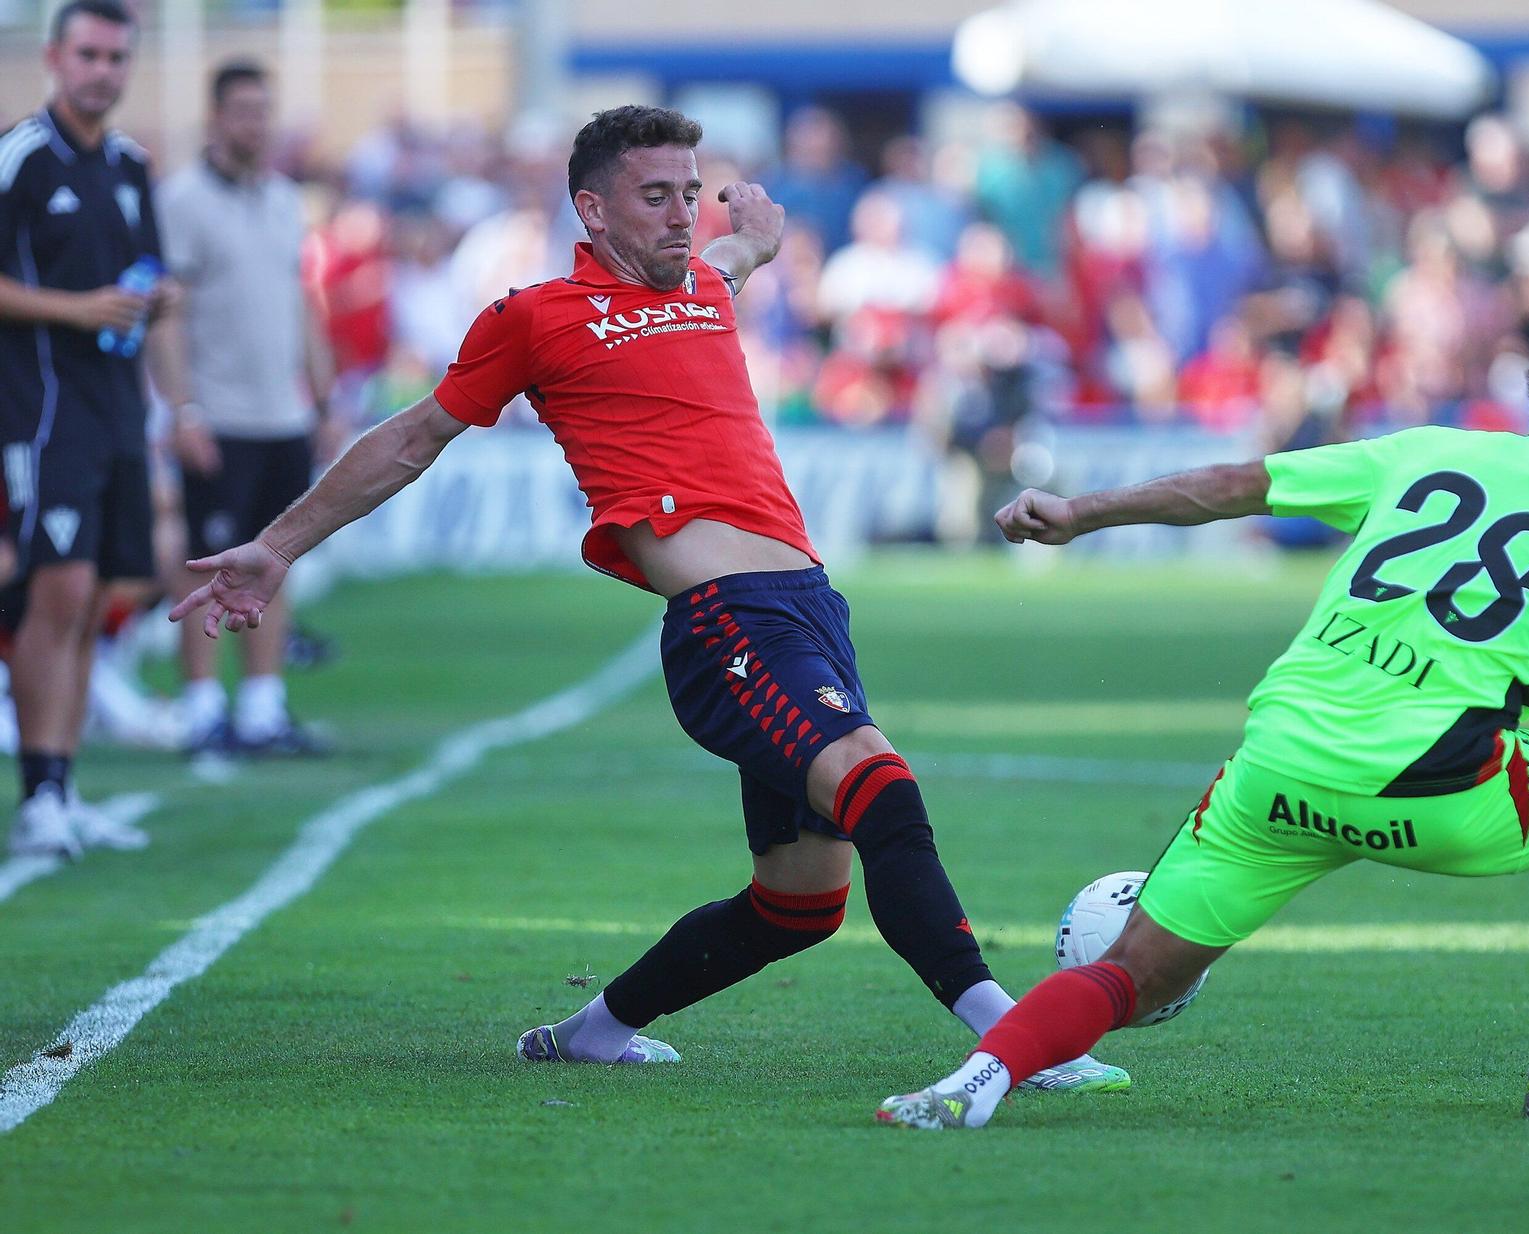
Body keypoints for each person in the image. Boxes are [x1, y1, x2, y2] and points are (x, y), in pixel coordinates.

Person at [170, 106, 1125, 1091]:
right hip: (726, 624)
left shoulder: (707, 284)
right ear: (590, 209)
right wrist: (276, 546)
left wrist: (753, 230)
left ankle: (593, 1029)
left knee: (799, 906)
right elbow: (410, 438)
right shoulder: (533, 317)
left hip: (807, 609)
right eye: (654, 196)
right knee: (879, 783)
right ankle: (1016, 1039)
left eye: (688, 192)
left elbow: (735, 254)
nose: (679, 215)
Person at [877, 329, 1529, 1130]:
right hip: (1438, 788)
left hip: (1276, 765)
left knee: (1127, 971)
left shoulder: (1431, 450)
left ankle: (968, 1085)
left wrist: (1079, 514)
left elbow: (1236, 484)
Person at [0, 0, 162, 859]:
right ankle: (39, 794)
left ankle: (63, 784)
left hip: (118, 412)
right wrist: (75, 308)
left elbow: (150, 279)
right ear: (56, 58)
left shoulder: (131, 166)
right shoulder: (20, 159)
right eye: (89, 54)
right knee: (56, 596)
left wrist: (151, 300)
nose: (103, 70)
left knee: (100, 600)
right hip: (46, 413)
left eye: (116, 57)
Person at [151, 59, 334, 757]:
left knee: (274, 560)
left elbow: (299, 303)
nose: (255, 124)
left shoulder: (285, 198)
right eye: (243, 111)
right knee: (203, 563)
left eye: (264, 110)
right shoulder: (183, 200)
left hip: (279, 415)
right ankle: (202, 708)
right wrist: (183, 408)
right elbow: (167, 314)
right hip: (219, 413)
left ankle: (263, 706)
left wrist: (322, 397)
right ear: (216, 118)